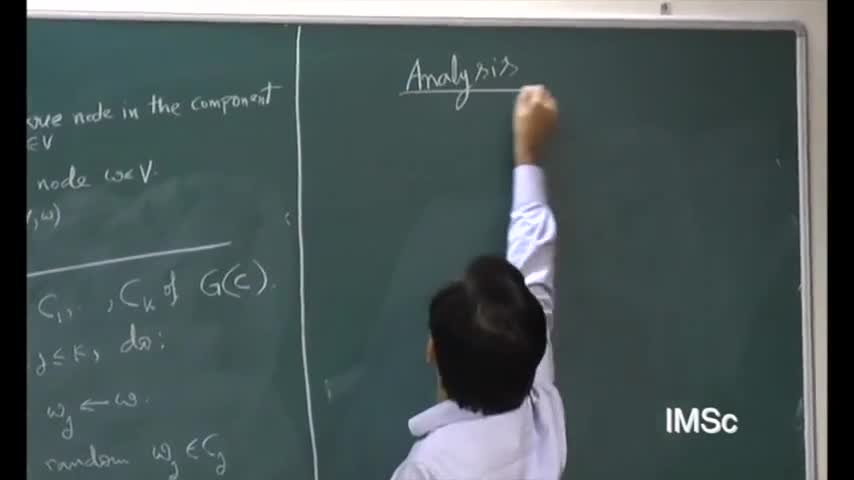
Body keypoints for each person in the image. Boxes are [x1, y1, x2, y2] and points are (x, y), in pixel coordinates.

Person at [390, 85, 566, 480]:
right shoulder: (542, 418)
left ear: (432, 350)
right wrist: (528, 157)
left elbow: (536, 281)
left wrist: (527, 155)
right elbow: (534, 271)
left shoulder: (428, 469)